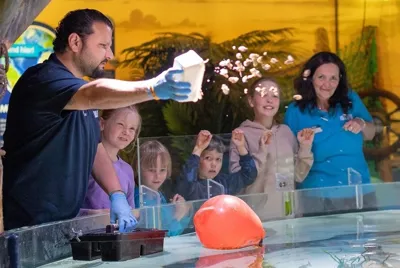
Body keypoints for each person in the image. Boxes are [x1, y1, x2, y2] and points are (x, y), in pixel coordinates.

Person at [2, 9, 192, 231]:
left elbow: (95, 147)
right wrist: (152, 88)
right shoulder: (44, 80)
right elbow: (93, 93)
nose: (110, 54)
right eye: (103, 46)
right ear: (75, 42)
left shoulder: (79, 97)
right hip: (28, 225)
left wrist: (117, 194)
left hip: (64, 223)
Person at [283, 51, 376, 215]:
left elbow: (371, 133)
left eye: (333, 78)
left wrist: (361, 123)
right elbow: (288, 158)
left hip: (359, 189)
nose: (327, 84)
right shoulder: (295, 111)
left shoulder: (350, 99)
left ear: (340, 79)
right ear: (310, 78)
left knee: (366, 240)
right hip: (316, 194)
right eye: (321, 77)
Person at [229, 77, 315, 220]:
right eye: (263, 95)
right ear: (251, 101)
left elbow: (299, 176)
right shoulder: (241, 135)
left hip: (288, 215)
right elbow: (237, 179)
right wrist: (261, 152)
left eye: (275, 96)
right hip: (255, 218)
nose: (270, 100)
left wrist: (305, 148)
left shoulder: (286, 132)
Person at [82, 106, 140, 210]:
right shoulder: (85, 162)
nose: (126, 132)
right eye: (120, 124)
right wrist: (92, 216)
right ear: (101, 124)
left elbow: (131, 210)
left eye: (132, 128)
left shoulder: (128, 170)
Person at [177, 129, 258, 201]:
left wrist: (241, 147)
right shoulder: (192, 185)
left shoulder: (224, 183)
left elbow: (249, 175)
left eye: (218, 159)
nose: (214, 164)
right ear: (198, 159)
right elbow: (187, 183)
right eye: (208, 158)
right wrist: (198, 149)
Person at [134, 140, 191, 236]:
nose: (158, 176)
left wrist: (181, 209)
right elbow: (160, 237)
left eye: (162, 170)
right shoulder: (141, 199)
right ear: (138, 169)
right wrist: (178, 215)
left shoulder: (158, 195)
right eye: (151, 170)